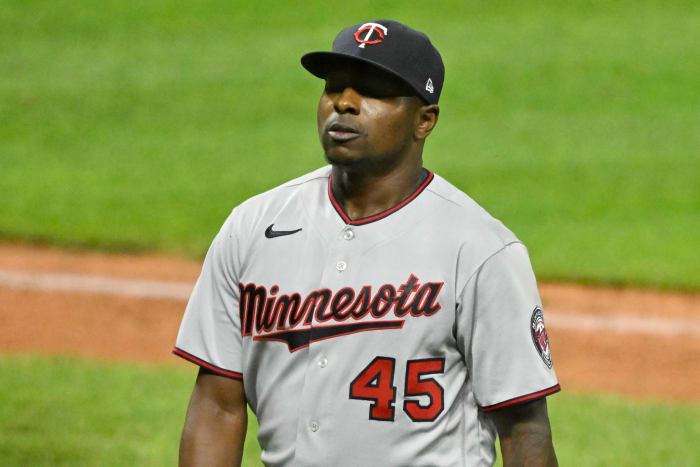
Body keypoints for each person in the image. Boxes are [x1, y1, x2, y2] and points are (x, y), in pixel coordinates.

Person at [173, 19, 560, 467]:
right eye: (334, 86)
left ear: (424, 121)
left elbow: (525, 430)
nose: (344, 103)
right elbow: (217, 406)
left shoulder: (480, 250)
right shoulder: (253, 227)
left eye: (373, 91)